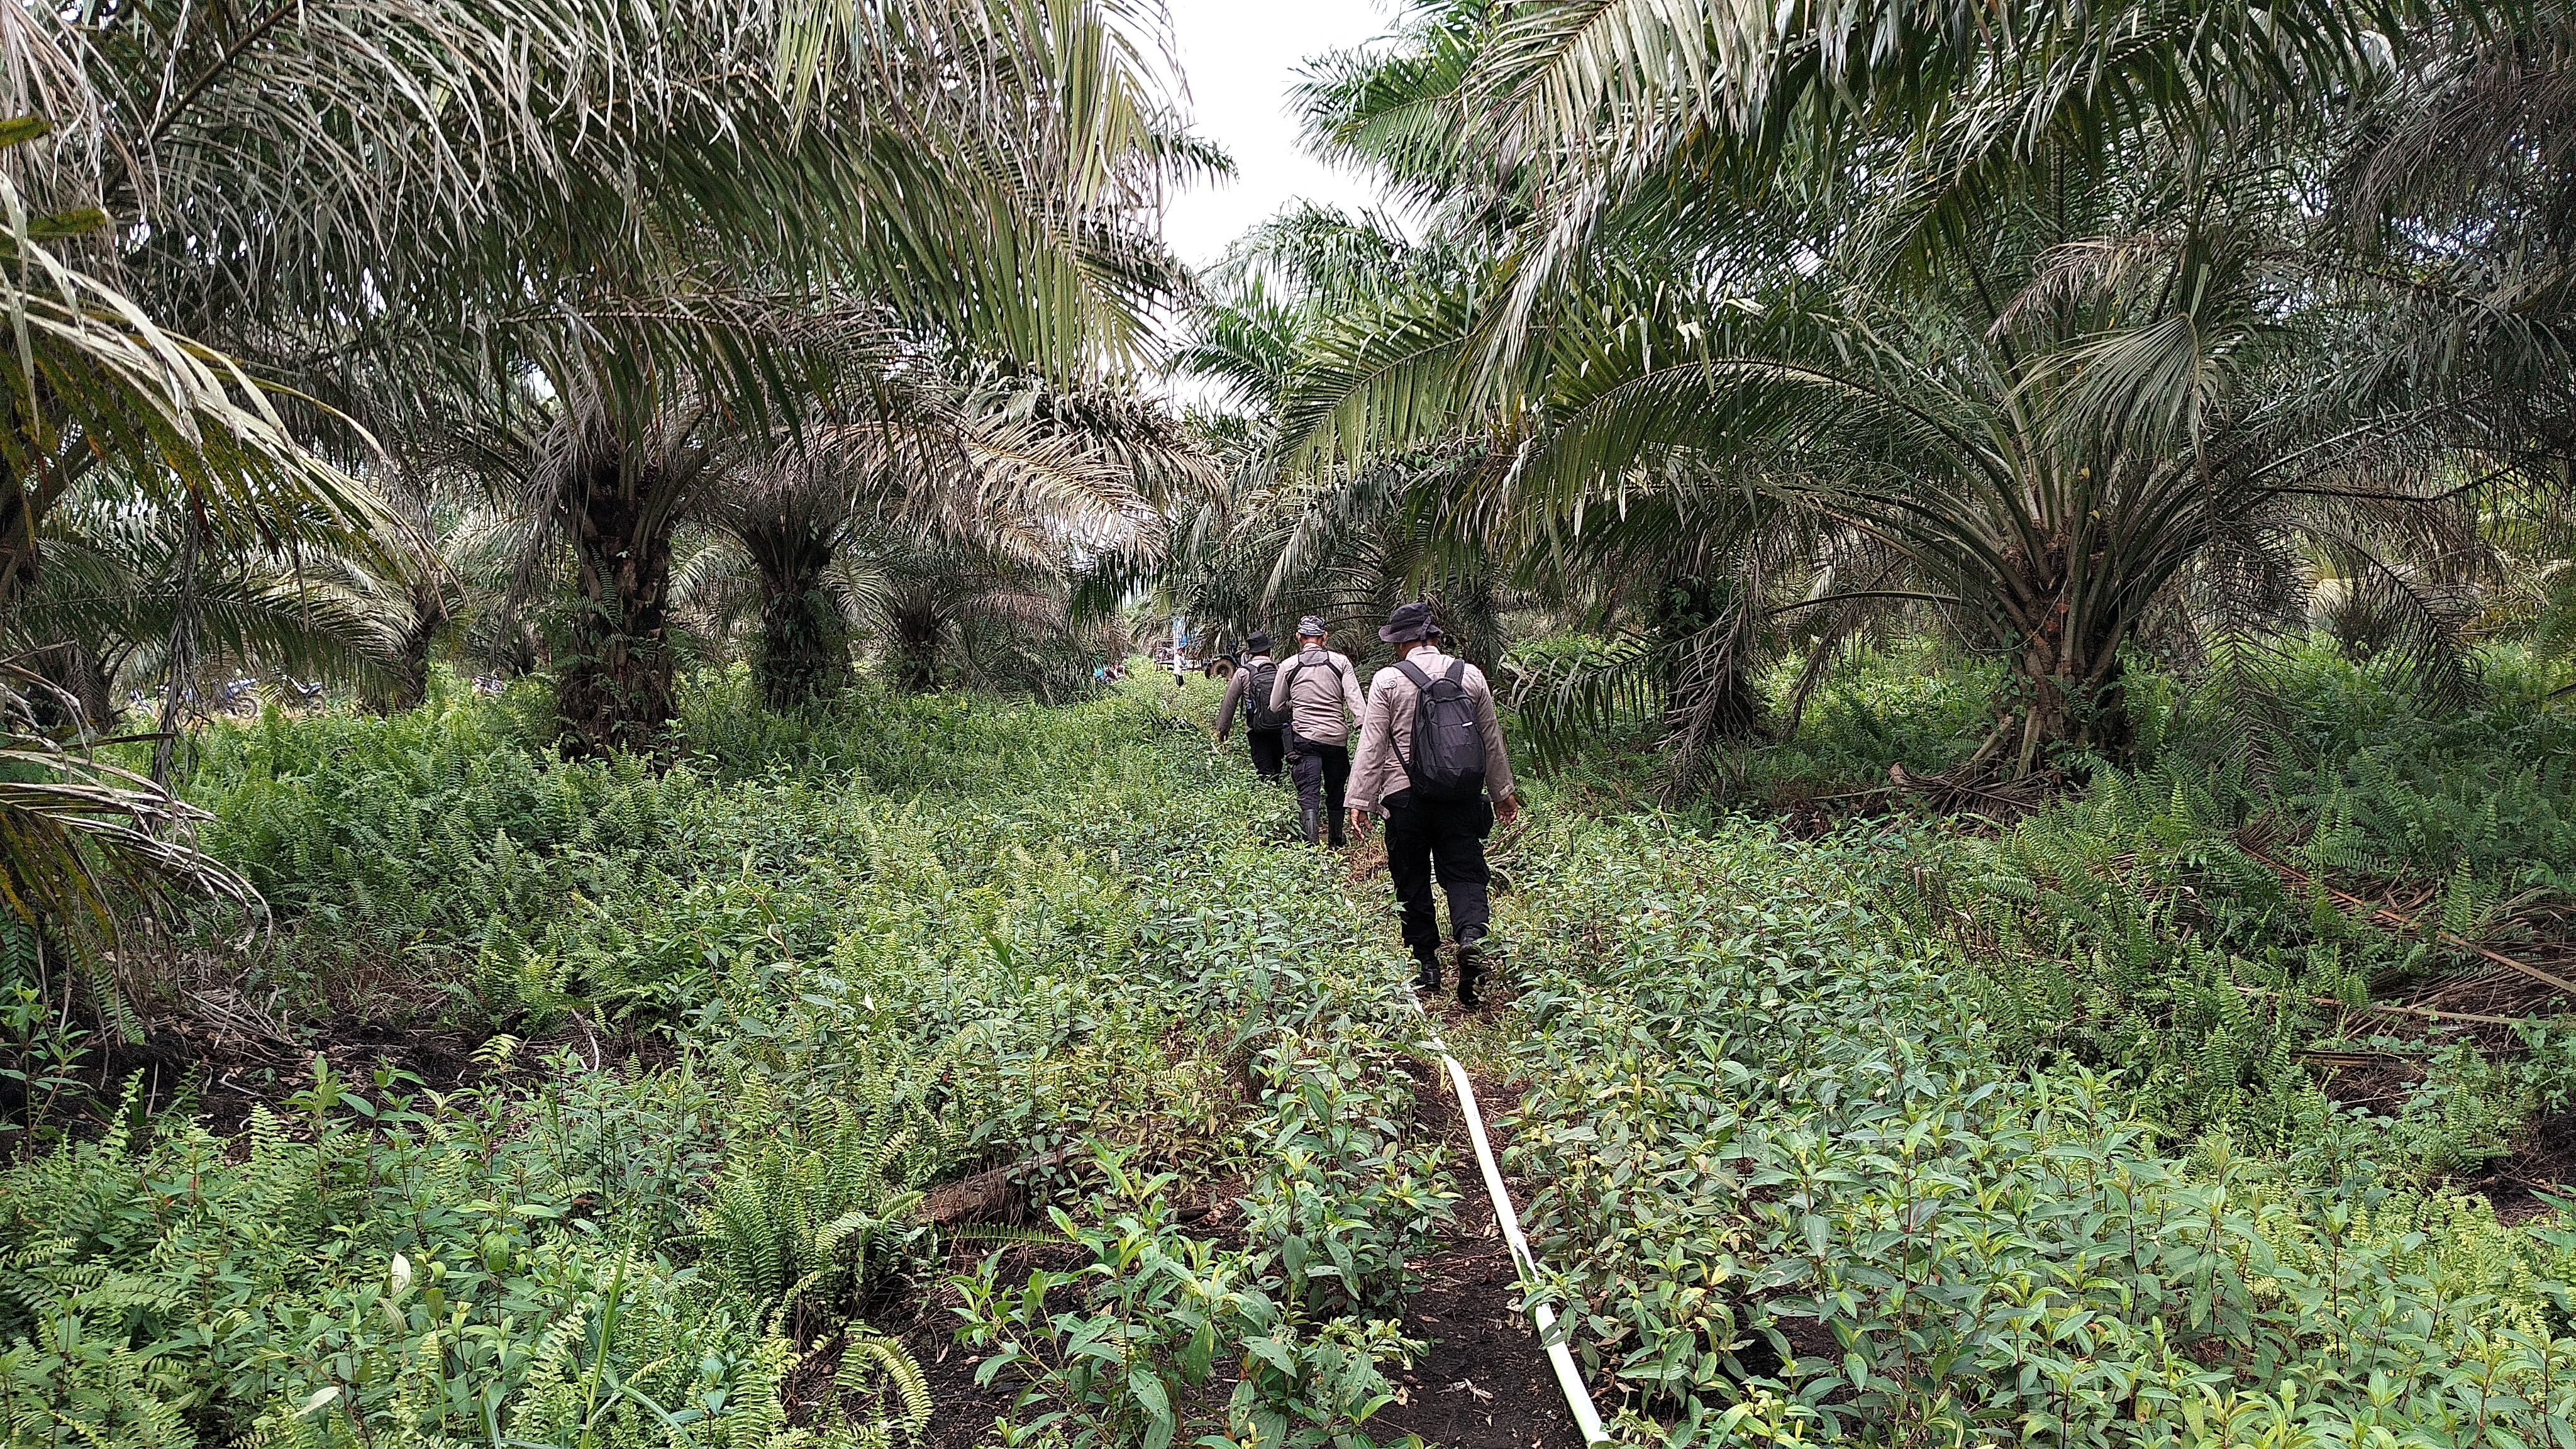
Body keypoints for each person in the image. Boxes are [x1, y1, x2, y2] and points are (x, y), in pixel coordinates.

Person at [1346, 601, 1518, 1009]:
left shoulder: (1388, 680)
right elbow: (1490, 741)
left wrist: (1359, 800)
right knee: (1464, 873)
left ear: (1401, 643)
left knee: (1411, 878)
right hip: (1460, 796)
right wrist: (1503, 794)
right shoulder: (1471, 675)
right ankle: (1472, 935)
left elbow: (1372, 744)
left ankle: (1427, 965)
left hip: (1404, 798)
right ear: (1437, 638)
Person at [1270, 615, 1365, 846]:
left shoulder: (1288, 665)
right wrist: (1363, 728)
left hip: (1305, 739)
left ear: (1299, 637)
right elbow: (1357, 704)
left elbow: (1275, 706)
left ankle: (1311, 845)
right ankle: (1335, 839)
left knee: (1309, 792)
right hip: (1336, 739)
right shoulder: (1341, 662)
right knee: (1335, 790)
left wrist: (1296, 702)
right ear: (1325, 637)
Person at [1213, 631, 1289, 781]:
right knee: (1277, 761)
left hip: (1255, 728)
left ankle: (1268, 792)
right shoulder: (1280, 668)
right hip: (1279, 725)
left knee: (1264, 766)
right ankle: (1275, 785)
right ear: (1268, 650)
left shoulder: (1243, 672)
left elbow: (1230, 701)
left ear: (1252, 653)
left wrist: (1222, 729)